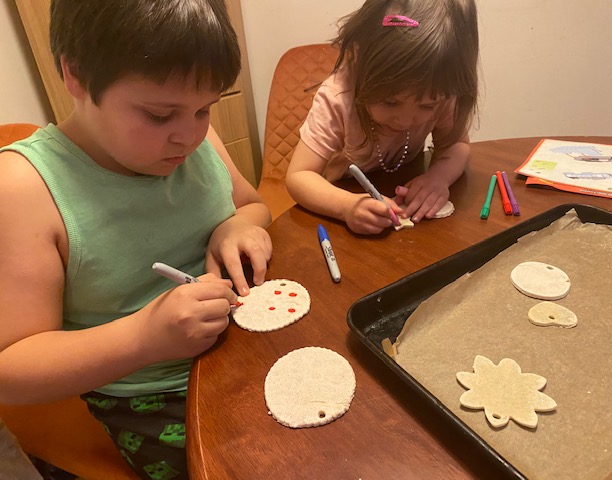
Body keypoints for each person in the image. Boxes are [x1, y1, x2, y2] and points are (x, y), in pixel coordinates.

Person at [0, 0, 272, 478]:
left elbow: (253, 205)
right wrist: (144, 338)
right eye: (159, 115)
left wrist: (237, 224)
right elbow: (10, 370)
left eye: (204, 109)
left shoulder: (195, 139)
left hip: (242, 344)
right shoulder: (23, 188)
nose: (187, 137)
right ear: (76, 75)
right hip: (151, 396)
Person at [286, 0, 479, 235]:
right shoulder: (337, 98)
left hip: (399, 196)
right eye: (390, 102)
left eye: (427, 106)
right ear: (358, 57)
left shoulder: (441, 91)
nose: (406, 120)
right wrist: (346, 206)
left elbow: (457, 145)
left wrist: (439, 178)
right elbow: (299, 176)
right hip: (338, 201)